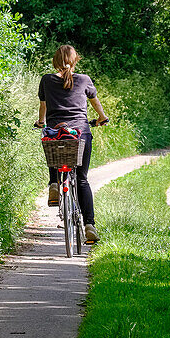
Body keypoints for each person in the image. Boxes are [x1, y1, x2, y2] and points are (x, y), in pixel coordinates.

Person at [36, 44, 108, 244]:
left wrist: (41, 122)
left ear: (55, 62)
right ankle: (89, 225)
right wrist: (102, 118)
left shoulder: (47, 80)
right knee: (82, 179)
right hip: (80, 133)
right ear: (75, 60)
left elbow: (43, 106)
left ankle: (53, 183)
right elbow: (95, 103)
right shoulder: (84, 80)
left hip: (57, 131)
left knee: (52, 140)